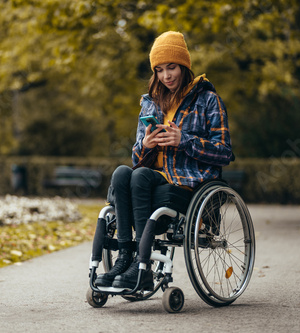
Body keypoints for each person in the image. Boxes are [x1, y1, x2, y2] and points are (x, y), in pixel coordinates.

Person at [95, 31, 233, 290]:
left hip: (187, 183)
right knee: (122, 173)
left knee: (138, 176)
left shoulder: (208, 100)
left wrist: (185, 141)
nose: (166, 75)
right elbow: (137, 157)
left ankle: (141, 263)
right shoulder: (149, 103)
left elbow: (224, 152)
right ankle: (125, 258)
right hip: (151, 179)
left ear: (184, 66)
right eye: (159, 70)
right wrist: (144, 146)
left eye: (171, 67)